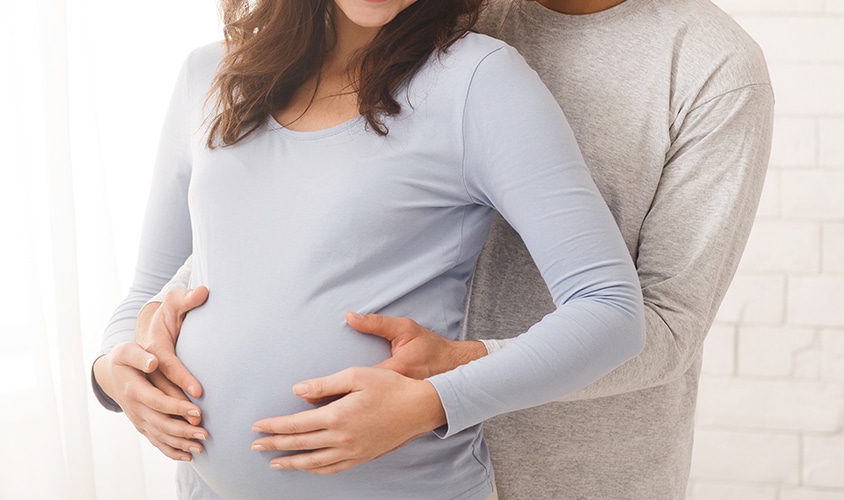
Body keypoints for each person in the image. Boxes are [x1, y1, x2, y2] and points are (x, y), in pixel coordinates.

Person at [97, 0, 774, 497]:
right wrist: (117, 366)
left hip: (548, 468)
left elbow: (654, 320)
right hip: (221, 479)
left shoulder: (486, 70)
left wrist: (445, 387)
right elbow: (214, 265)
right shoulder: (220, 71)